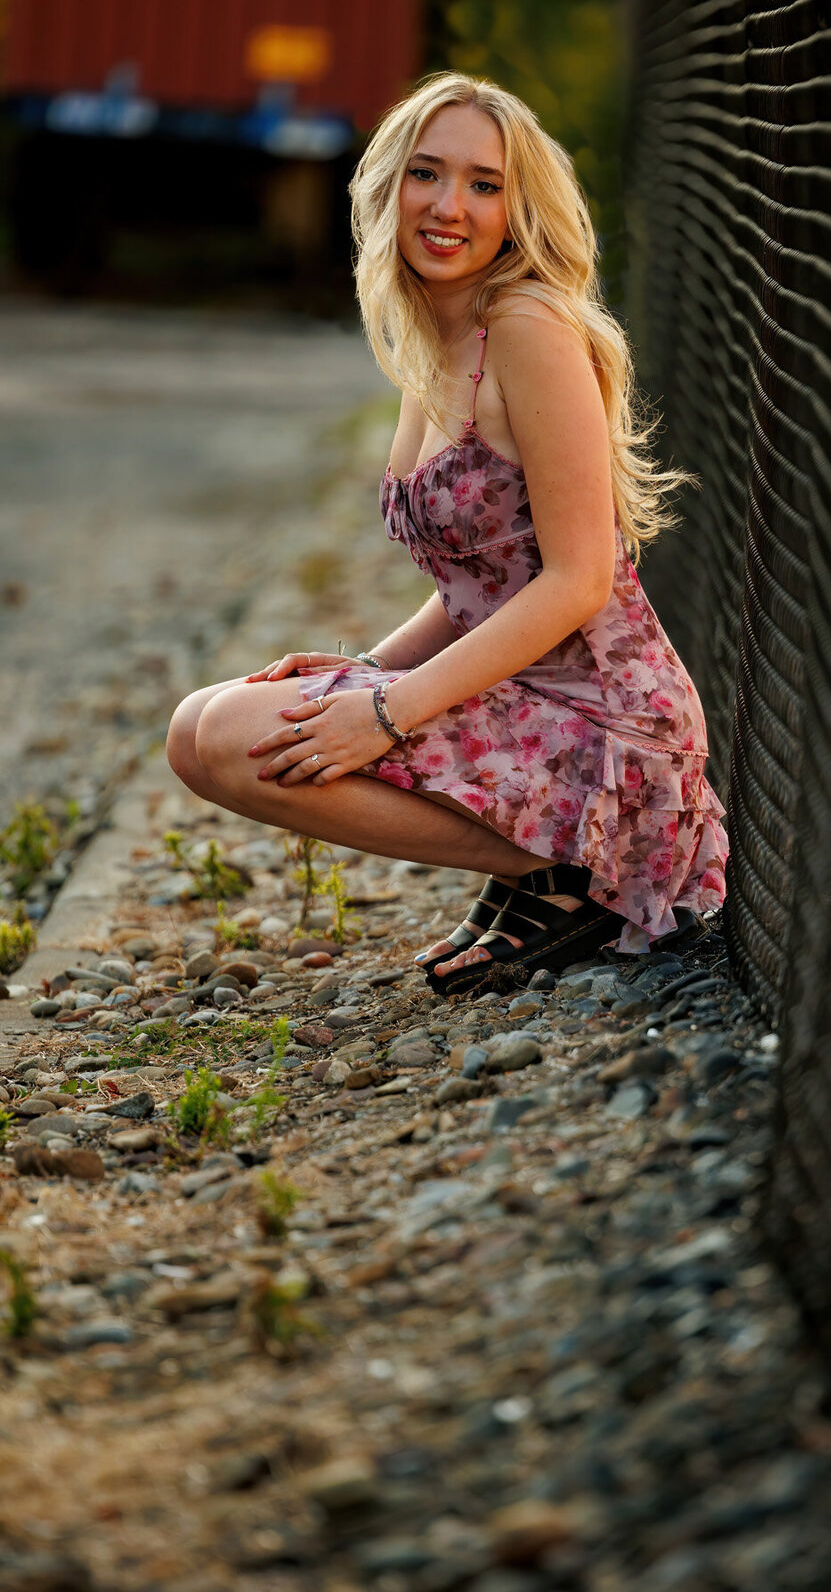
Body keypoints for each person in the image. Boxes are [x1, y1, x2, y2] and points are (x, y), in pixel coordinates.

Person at [167, 71, 727, 992]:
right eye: (427, 174)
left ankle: (574, 872)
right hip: (519, 697)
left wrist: (383, 707)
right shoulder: (435, 339)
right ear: (389, 185)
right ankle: (537, 871)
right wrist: (360, 670)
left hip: (608, 733)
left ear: (518, 209)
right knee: (196, 732)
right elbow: (477, 586)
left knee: (234, 735)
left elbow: (582, 579)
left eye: (483, 184)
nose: (448, 206)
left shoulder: (530, 326)